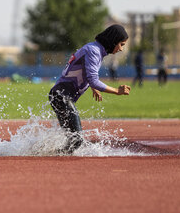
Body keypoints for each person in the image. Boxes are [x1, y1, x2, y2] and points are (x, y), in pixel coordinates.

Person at [49, 24, 131, 154]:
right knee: (76, 141)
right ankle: (53, 158)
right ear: (113, 40)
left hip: (59, 95)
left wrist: (93, 87)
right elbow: (93, 80)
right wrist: (117, 91)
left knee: (73, 140)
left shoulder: (95, 49)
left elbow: (87, 74)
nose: (121, 49)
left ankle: (51, 155)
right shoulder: (94, 51)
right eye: (121, 44)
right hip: (62, 96)